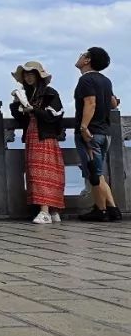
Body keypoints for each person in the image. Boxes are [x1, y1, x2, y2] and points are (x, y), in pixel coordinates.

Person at [9, 61, 64, 225]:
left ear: (39, 76)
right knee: (36, 172)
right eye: (26, 74)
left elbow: (54, 115)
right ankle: (50, 210)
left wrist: (33, 110)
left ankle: (47, 210)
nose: (28, 77)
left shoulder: (50, 93)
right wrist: (16, 104)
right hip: (33, 135)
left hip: (45, 136)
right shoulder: (26, 94)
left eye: (31, 74)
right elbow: (20, 117)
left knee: (46, 173)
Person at [73, 47, 122, 221]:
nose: (79, 56)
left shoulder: (86, 80)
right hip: (104, 132)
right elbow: (113, 103)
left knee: (93, 173)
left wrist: (83, 127)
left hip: (91, 133)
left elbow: (90, 103)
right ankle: (113, 209)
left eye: (82, 55)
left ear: (87, 60)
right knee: (98, 172)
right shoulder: (106, 81)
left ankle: (100, 211)